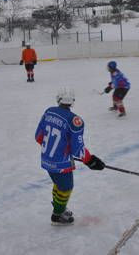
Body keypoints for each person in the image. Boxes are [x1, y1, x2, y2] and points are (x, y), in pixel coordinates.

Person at [35, 88, 105, 225]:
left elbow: (38, 137)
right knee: (66, 187)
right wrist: (90, 160)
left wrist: (55, 149)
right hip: (61, 164)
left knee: (58, 184)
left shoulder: (49, 111)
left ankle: (58, 207)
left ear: (58, 99)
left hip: (47, 159)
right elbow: (78, 150)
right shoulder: (75, 120)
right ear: (72, 102)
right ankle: (58, 214)